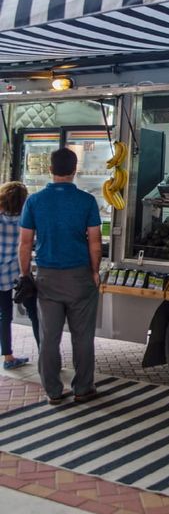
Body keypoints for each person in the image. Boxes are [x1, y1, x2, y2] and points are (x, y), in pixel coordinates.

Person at [19, 148, 102, 405]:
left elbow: (25, 243)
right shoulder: (87, 201)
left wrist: (25, 275)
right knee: (83, 337)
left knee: (49, 337)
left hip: (47, 277)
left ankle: (53, 391)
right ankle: (82, 388)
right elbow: (96, 243)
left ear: (50, 170)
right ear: (75, 170)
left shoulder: (34, 201)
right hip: (80, 277)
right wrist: (95, 271)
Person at [0, 181, 38, 369]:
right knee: (34, 313)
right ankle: (45, 355)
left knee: (4, 315)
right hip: (21, 273)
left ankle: (8, 357)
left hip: (1, 274)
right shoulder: (26, 218)